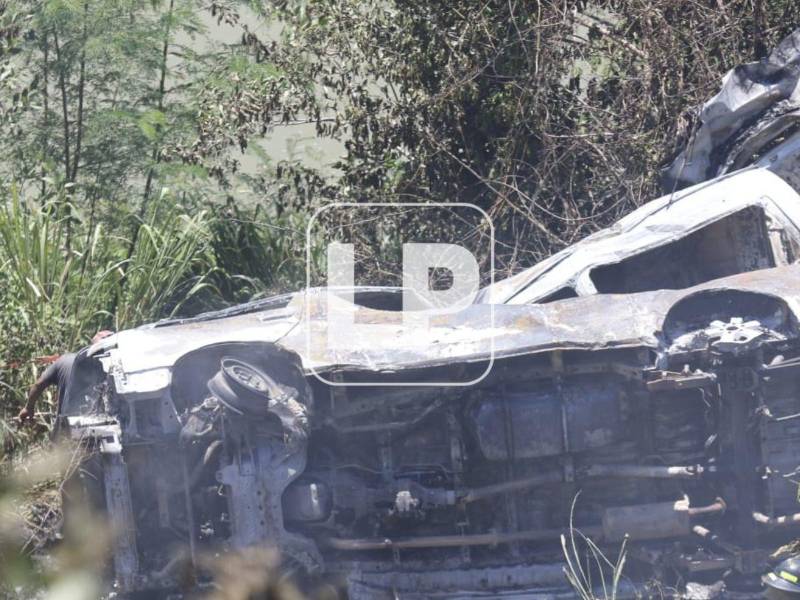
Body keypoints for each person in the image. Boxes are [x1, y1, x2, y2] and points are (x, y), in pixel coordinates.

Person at [17, 330, 113, 424]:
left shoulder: (64, 360)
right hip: (101, 421)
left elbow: (38, 385)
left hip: (69, 422)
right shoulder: (113, 365)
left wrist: (28, 407)